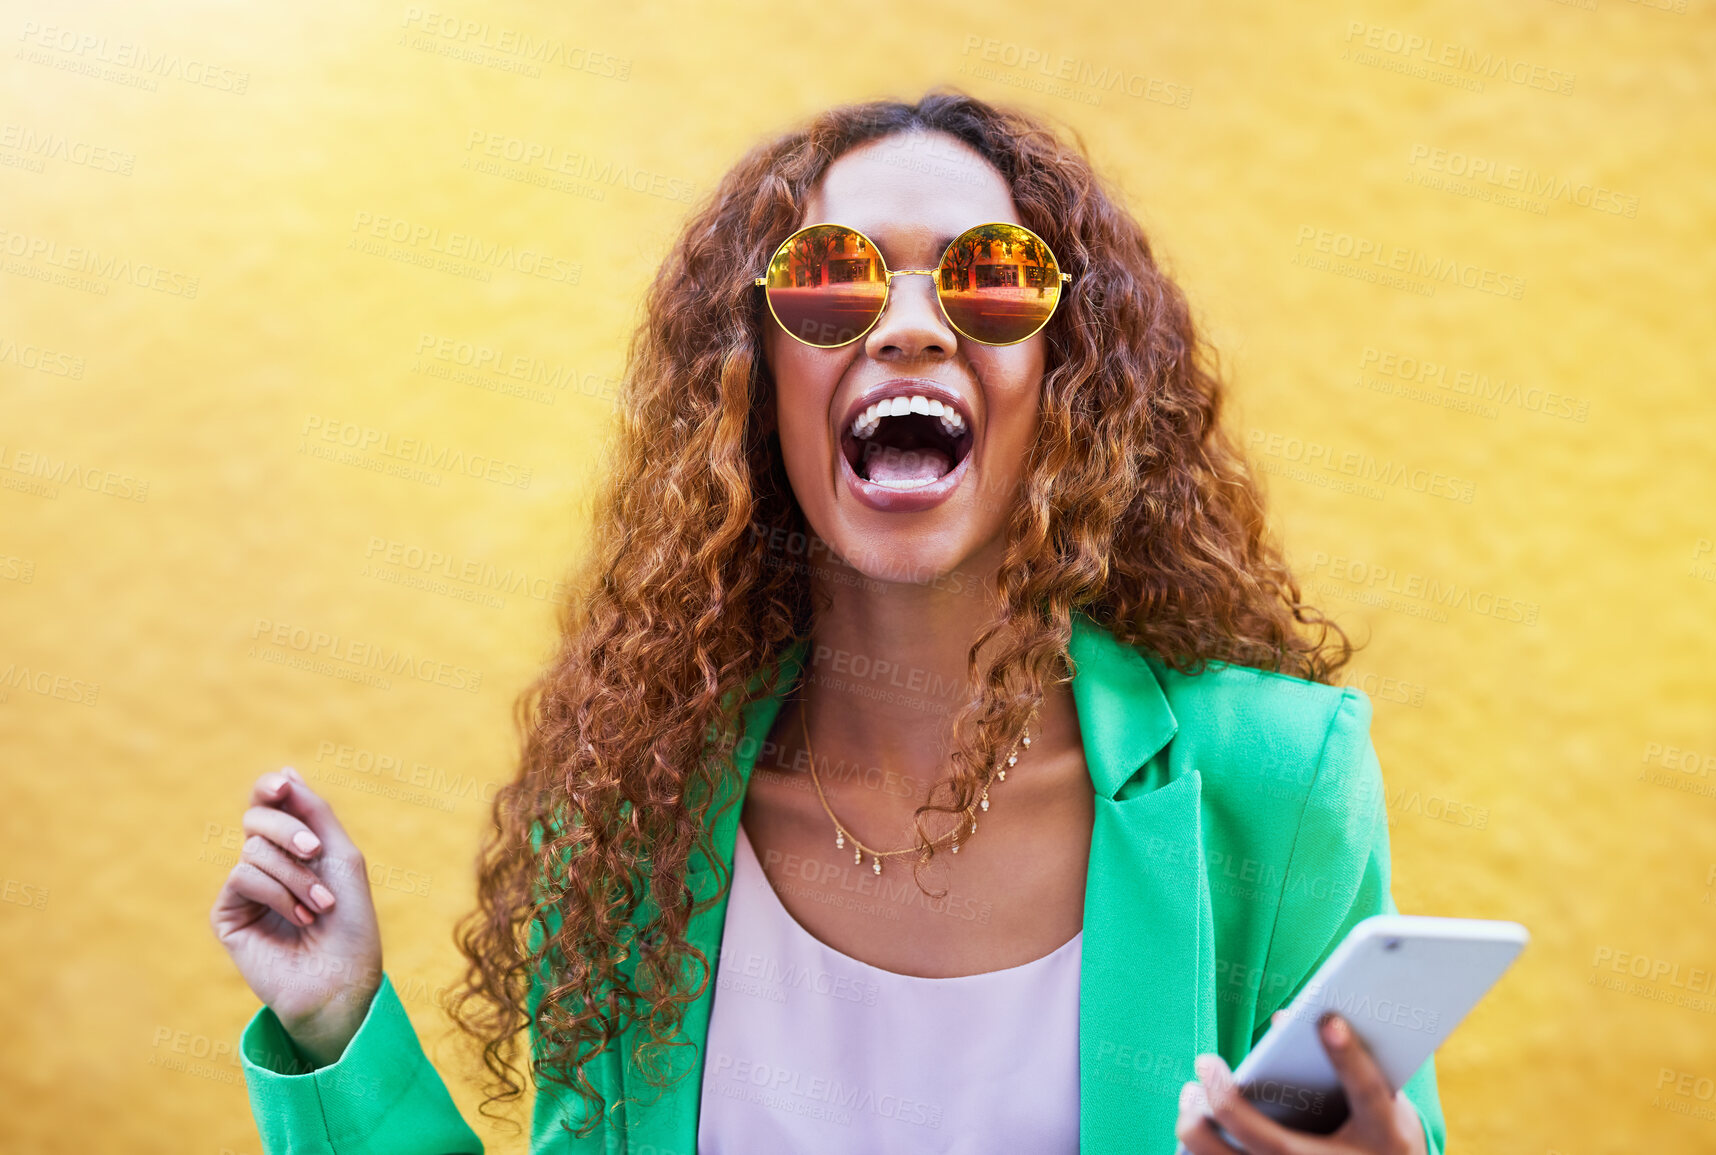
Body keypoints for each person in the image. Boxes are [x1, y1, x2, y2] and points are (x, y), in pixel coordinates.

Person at [211, 87, 1445, 1155]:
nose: (908, 326)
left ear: (1069, 380)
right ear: (754, 379)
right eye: (831, 280)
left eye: (991, 281)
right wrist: (339, 1026)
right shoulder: (641, 818)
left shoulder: (1272, 789)